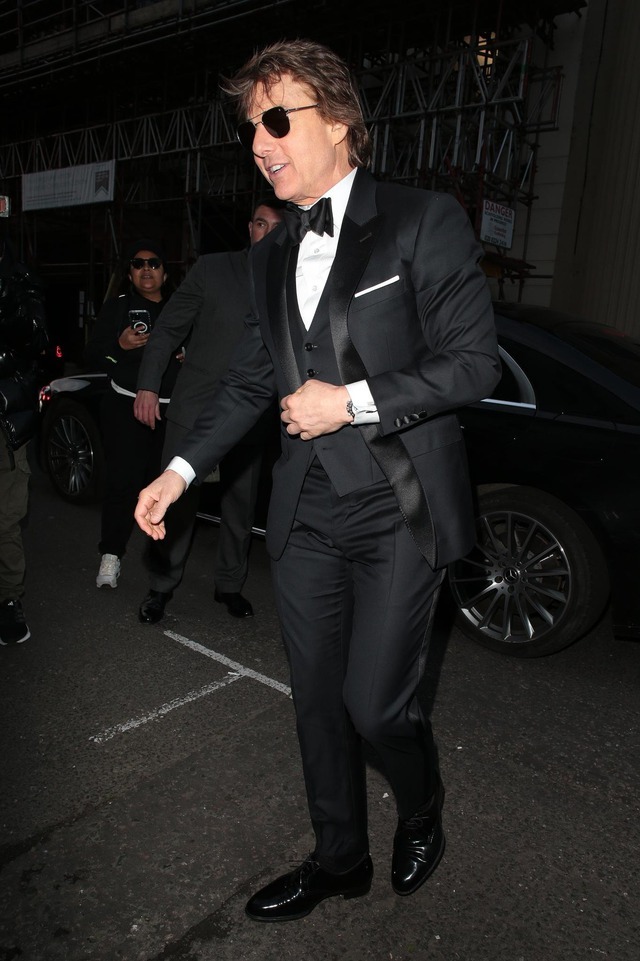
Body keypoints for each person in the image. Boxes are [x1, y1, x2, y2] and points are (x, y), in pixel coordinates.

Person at [135, 39, 500, 922]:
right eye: (250, 127)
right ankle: (339, 858)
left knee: (375, 706)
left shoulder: (421, 219)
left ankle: (421, 802)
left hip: (397, 509)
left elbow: (473, 363)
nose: (259, 141)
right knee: (316, 706)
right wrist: (179, 471)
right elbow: (248, 382)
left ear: (338, 121)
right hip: (302, 517)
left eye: (276, 118)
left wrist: (352, 402)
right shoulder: (267, 255)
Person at [133, 199, 284, 624]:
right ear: (249, 228)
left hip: (252, 416)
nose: (268, 233)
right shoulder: (213, 269)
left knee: (241, 506)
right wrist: (148, 385)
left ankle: (230, 585)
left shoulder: (290, 279)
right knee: (176, 501)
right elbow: (169, 328)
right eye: (261, 223)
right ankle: (160, 585)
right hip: (197, 406)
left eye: (278, 226)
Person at [85, 240, 182, 589]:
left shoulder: (181, 307)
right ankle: (111, 554)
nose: (146, 269)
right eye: (138, 264)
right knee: (122, 484)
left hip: (172, 410)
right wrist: (119, 346)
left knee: (167, 488)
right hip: (125, 407)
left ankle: (162, 566)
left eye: (154, 263)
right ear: (129, 273)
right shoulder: (118, 308)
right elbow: (94, 356)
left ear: (165, 274)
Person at [0, 235, 48, 646]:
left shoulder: (17, 280)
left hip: (6, 420)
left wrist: (8, 298)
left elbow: (36, 339)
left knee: (6, 519)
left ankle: (8, 599)